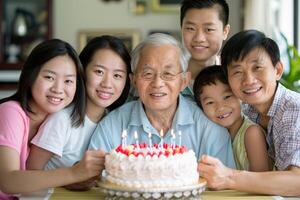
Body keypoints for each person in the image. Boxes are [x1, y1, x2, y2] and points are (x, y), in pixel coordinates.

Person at [89, 33, 236, 169]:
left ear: (184, 81)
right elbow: (95, 182)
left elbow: (223, 190)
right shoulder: (111, 127)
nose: (158, 83)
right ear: (133, 80)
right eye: (147, 74)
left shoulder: (211, 130)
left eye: (168, 73)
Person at [198, 30, 300, 196]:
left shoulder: (294, 110)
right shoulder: (246, 110)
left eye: (257, 68)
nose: (249, 80)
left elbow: (297, 183)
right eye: (237, 72)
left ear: (278, 70)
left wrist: (228, 177)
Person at [0, 39, 104, 200]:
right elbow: (7, 181)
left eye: (68, 81)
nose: (58, 89)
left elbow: (31, 181)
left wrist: (71, 180)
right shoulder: (11, 112)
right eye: (49, 77)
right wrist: (73, 173)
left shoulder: (55, 119)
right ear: (30, 75)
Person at [26, 36, 131, 190]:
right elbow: (30, 172)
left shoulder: (114, 122)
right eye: (99, 71)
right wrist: (69, 180)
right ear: (81, 71)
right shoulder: (61, 120)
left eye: (117, 75)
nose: (107, 84)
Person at [193, 65, 269, 171]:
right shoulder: (214, 136)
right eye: (210, 102)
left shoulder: (252, 133)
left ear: (240, 95)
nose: (220, 107)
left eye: (227, 97)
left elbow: (262, 180)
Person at [180, 0, 230, 97]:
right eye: (190, 28)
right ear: (181, 28)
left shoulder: (232, 77)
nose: (199, 38)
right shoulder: (167, 77)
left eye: (209, 29)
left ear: (225, 32)